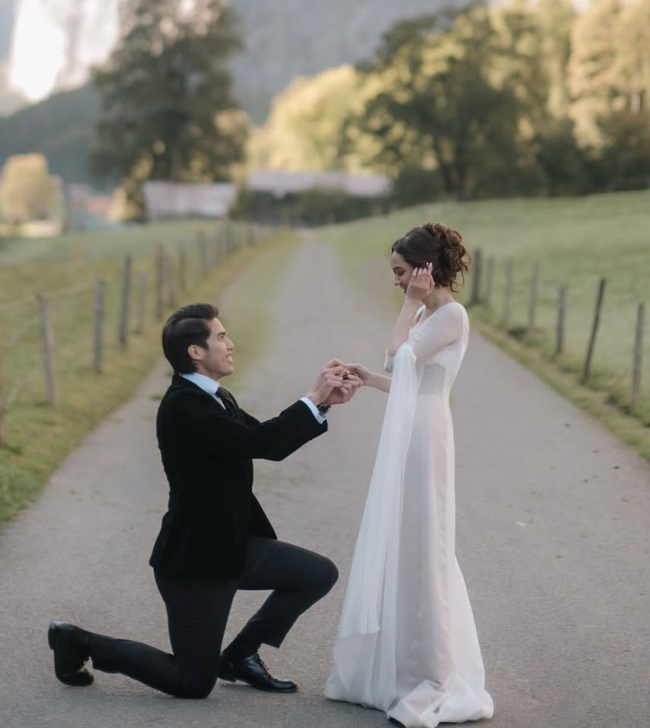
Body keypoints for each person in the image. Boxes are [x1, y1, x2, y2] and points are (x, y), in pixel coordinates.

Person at [48, 302, 359, 699]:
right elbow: (259, 443)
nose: (230, 344)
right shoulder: (183, 406)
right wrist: (313, 394)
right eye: (221, 336)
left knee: (318, 574)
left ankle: (240, 656)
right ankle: (79, 642)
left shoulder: (214, 396)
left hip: (232, 547)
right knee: (192, 683)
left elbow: (270, 442)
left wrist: (322, 401)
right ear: (196, 351)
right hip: (195, 562)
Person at [326, 223, 494, 727]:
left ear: (424, 270)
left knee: (426, 542)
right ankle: (401, 661)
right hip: (412, 425)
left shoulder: (449, 314)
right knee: (407, 540)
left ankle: (432, 670)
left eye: (401, 272)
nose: (396, 282)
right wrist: (364, 377)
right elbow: (399, 374)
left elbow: (399, 357)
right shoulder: (428, 313)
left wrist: (407, 307)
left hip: (426, 435)